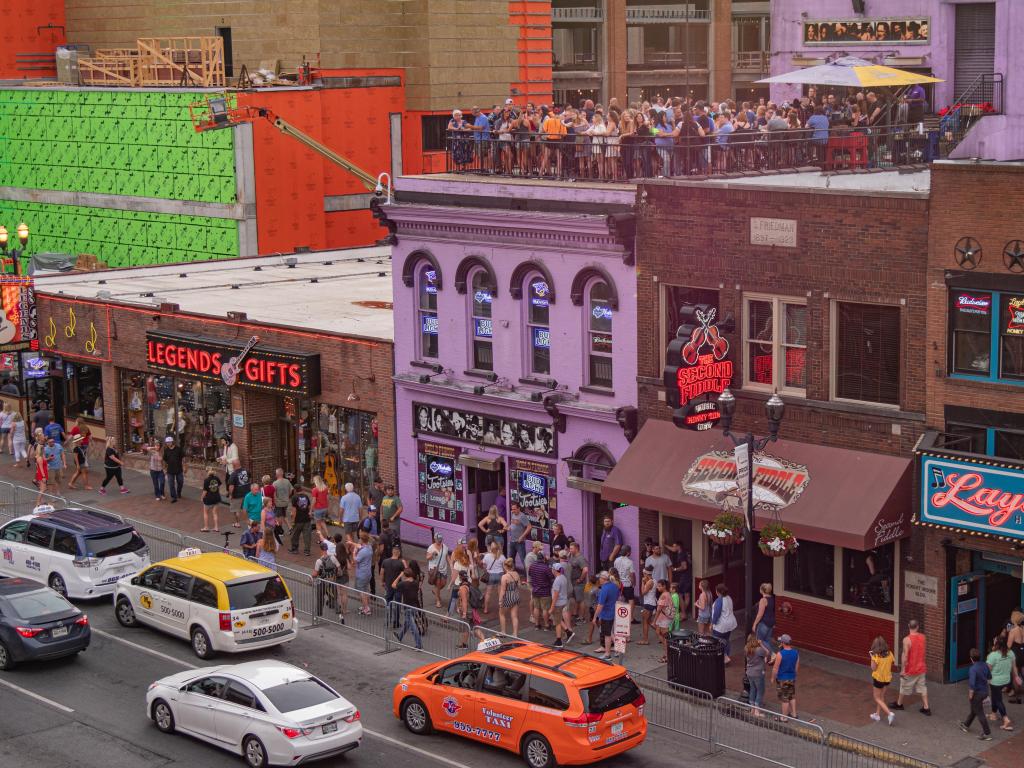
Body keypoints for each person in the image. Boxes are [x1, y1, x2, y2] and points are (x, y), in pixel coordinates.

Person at [891, 619, 931, 715]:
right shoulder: (923, 637)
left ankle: (899, 704)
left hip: (911, 669)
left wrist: (903, 670)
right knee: (922, 687)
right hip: (921, 667)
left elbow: (905, 655)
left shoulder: (907, 640)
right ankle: (926, 707)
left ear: (909, 626)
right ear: (917, 626)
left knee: (903, 686)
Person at [987, 635, 1018, 731]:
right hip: (1006, 680)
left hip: (995, 681)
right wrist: (1016, 677)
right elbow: (1014, 667)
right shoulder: (1011, 653)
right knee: (995, 696)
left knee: (998, 700)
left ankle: (1005, 719)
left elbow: (988, 670)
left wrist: (985, 680)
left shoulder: (993, 655)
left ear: (996, 644)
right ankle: (993, 714)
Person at [961, 648, 993, 740]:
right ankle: (966, 725)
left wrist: (970, 695)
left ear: (971, 658)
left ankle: (987, 733)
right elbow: (989, 677)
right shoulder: (984, 665)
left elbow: (972, 684)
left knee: (979, 712)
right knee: (974, 709)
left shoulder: (973, 669)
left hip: (977, 694)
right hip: (985, 691)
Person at [772, 634, 801, 721]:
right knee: (791, 696)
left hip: (782, 678)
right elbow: (796, 666)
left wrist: (772, 678)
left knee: (784, 698)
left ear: (783, 643)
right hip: (792, 677)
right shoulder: (796, 653)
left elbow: (775, 668)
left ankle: (784, 717)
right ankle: (794, 713)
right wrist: (794, 675)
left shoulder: (780, 654)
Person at [592, 571, 620, 661]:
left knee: (607, 634)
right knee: (610, 632)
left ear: (603, 579)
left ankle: (607, 654)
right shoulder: (614, 586)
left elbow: (600, 605)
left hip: (606, 614)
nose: (598, 580)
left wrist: (595, 617)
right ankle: (618, 649)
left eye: (599, 578)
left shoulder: (604, 589)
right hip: (613, 611)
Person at [393, 567, 423, 650]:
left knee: (413, 628)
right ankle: (400, 636)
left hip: (407, 607)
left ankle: (419, 645)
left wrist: (399, 576)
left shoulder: (403, 584)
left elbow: (393, 585)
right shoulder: (416, 583)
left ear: (405, 575)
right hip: (414, 606)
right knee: (407, 623)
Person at [455, 570, 486, 648]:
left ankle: (464, 645)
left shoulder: (463, 588)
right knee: (474, 627)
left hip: (467, 610)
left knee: (465, 628)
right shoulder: (469, 585)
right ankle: (484, 641)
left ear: (460, 577)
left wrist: (464, 613)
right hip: (472, 609)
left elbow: (464, 601)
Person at [869, 636, 896, 725]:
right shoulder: (890, 654)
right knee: (881, 697)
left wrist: (872, 657)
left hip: (878, 679)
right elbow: (892, 662)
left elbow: (873, 668)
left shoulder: (876, 656)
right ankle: (877, 714)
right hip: (887, 679)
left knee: (877, 698)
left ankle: (889, 713)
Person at [312, 540, 342, 619]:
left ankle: (319, 615)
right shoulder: (333, 558)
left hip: (322, 582)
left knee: (320, 598)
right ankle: (339, 614)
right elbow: (339, 568)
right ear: (327, 548)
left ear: (321, 549)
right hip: (331, 581)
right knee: (334, 597)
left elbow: (315, 574)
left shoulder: (319, 561)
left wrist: (312, 577)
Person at [711, 583, 738, 664]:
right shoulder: (729, 598)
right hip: (730, 624)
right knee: (726, 640)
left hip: (721, 626)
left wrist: (712, 623)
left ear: (717, 592)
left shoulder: (719, 601)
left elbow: (716, 614)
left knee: (718, 642)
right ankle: (726, 655)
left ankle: (724, 657)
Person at [381, 544, 406, 629]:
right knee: (397, 604)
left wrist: (382, 582)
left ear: (392, 552)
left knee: (388, 603)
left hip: (388, 586)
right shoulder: (400, 563)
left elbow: (382, 573)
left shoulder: (385, 561)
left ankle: (387, 621)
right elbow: (406, 573)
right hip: (398, 586)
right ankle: (396, 622)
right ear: (398, 553)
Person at [551, 562, 574, 648]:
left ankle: (559, 641)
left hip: (558, 603)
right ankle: (568, 632)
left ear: (555, 570)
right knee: (558, 618)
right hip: (563, 601)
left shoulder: (557, 580)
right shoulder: (563, 577)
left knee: (557, 622)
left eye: (552, 569)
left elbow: (556, 595)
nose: (551, 570)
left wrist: (552, 607)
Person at [745, 633, 770, 714]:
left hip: (749, 672)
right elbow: (767, 652)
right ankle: (757, 710)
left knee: (753, 689)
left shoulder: (746, 649)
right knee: (760, 690)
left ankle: (752, 708)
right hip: (758, 673)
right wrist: (761, 644)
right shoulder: (759, 650)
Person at [567, 541, 590, 626]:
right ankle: (576, 614)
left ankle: (581, 618)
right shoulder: (572, 556)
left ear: (576, 549)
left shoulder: (580, 558)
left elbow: (585, 570)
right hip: (573, 582)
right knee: (576, 599)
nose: (570, 550)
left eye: (571, 548)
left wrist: (580, 579)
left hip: (579, 583)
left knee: (581, 600)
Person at [499, 557, 522, 636]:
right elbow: (519, 585)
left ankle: (503, 632)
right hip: (516, 595)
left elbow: (503, 590)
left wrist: (500, 600)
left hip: (508, 597)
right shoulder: (516, 574)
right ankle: (515, 633)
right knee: (514, 615)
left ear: (505, 566)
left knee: (502, 614)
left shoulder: (504, 577)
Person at [66, 418, 92, 490]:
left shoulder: (75, 429)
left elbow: (70, 437)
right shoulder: (77, 448)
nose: (82, 440)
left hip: (81, 459)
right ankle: (86, 485)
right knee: (83, 471)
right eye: (80, 439)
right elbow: (90, 437)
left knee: (79, 472)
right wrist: (77, 465)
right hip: (80, 461)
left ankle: (71, 483)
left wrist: (66, 441)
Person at [613, 544, 637, 622]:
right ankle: (631, 618)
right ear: (628, 552)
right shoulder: (630, 562)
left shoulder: (616, 560)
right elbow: (631, 574)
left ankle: (620, 617)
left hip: (618, 583)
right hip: (627, 584)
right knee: (631, 599)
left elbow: (615, 572)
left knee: (619, 599)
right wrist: (634, 583)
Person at [288, 484, 313, 555]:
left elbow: (294, 510)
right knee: (307, 536)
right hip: (307, 519)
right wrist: (310, 514)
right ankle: (307, 551)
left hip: (298, 520)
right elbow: (309, 507)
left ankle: (295, 549)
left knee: (294, 535)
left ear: (295, 490)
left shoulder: (294, 497)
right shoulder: (306, 496)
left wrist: (293, 520)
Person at [426, 533, 449, 609]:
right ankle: (438, 601)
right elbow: (427, 557)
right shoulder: (431, 547)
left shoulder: (445, 547)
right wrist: (432, 554)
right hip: (434, 569)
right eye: (438, 540)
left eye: (440, 540)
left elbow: (447, 556)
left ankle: (435, 591)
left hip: (443, 569)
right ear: (435, 539)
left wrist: (451, 565)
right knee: (438, 584)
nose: (439, 541)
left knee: (443, 583)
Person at [654, 579, 674, 663]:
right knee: (658, 632)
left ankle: (668, 655)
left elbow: (659, 610)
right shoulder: (667, 594)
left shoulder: (663, 595)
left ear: (664, 586)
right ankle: (668, 652)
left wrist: (654, 621)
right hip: (665, 618)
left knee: (665, 637)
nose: (657, 587)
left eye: (659, 586)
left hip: (664, 619)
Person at [482, 539, 505, 614]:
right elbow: (504, 567)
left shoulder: (487, 556)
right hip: (500, 575)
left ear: (491, 548)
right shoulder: (502, 556)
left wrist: (486, 571)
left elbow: (484, 566)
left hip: (491, 575)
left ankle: (485, 609)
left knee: (488, 593)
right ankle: (501, 608)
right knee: (500, 593)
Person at [354, 531, 374, 615]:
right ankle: (366, 605)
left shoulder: (363, 552)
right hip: (368, 572)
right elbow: (361, 546)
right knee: (366, 589)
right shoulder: (369, 547)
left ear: (362, 540)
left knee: (361, 591)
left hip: (361, 573)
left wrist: (354, 552)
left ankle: (366, 608)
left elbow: (356, 560)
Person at [507, 503, 532, 568]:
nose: (513, 511)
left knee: (523, 560)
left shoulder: (522, 516)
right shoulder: (513, 514)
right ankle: (512, 574)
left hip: (519, 542)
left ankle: (528, 576)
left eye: (514, 509)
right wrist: (509, 528)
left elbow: (529, 527)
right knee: (510, 560)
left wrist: (522, 537)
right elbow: (513, 524)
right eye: (512, 509)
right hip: (512, 540)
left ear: (519, 508)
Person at [226, 460, 250, 528]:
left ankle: (237, 523)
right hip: (247, 494)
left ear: (234, 466)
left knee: (236, 509)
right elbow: (249, 479)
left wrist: (230, 495)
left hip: (237, 495)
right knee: (246, 508)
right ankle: (249, 521)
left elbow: (231, 486)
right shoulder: (246, 471)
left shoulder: (233, 474)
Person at [753, 583, 776, 650]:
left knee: (759, 641)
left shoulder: (763, 600)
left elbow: (760, 614)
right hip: (771, 622)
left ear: (762, 590)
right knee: (767, 640)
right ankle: (768, 656)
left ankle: (771, 655)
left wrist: (754, 624)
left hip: (764, 623)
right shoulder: (772, 598)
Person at [162, 435, 185, 503]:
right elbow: (164, 460)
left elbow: (183, 458)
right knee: (171, 484)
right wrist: (164, 469)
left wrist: (185, 466)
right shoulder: (166, 450)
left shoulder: (178, 449)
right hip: (170, 470)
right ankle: (174, 497)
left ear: (172, 442)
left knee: (180, 482)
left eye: (169, 442)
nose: (168, 443)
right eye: (167, 442)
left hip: (179, 469)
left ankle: (178, 492)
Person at [638, 565, 657, 645]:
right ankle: (662, 633)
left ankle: (645, 640)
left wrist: (642, 582)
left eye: (644, 573)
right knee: (649, 622)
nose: (643, 575)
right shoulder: (654, 580)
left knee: (645, 622)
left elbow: (643, 593)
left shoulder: (649, 582)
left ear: (646, 574)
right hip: (651, 603)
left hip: (649, 604)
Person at [200, 467, 222, 532]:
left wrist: (201, 497)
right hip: (216, 498)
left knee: (206, 513)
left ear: (207, 472)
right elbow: (219, 485)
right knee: (215, 513)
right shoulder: (216, 478)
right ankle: (216, 527)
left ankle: (206, 527)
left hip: (208, 499)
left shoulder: (206, 480)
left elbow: (205, 491)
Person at [311, 475, 330, 539]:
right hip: (324, 508)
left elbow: (314, 500)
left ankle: (321, 538)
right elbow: (327, 499)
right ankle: (328, 535)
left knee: (318, 524)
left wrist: (311, 509)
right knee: (322, 522)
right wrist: (328, 507)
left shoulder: (315, 490)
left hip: (318, 509)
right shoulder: (326, 488)